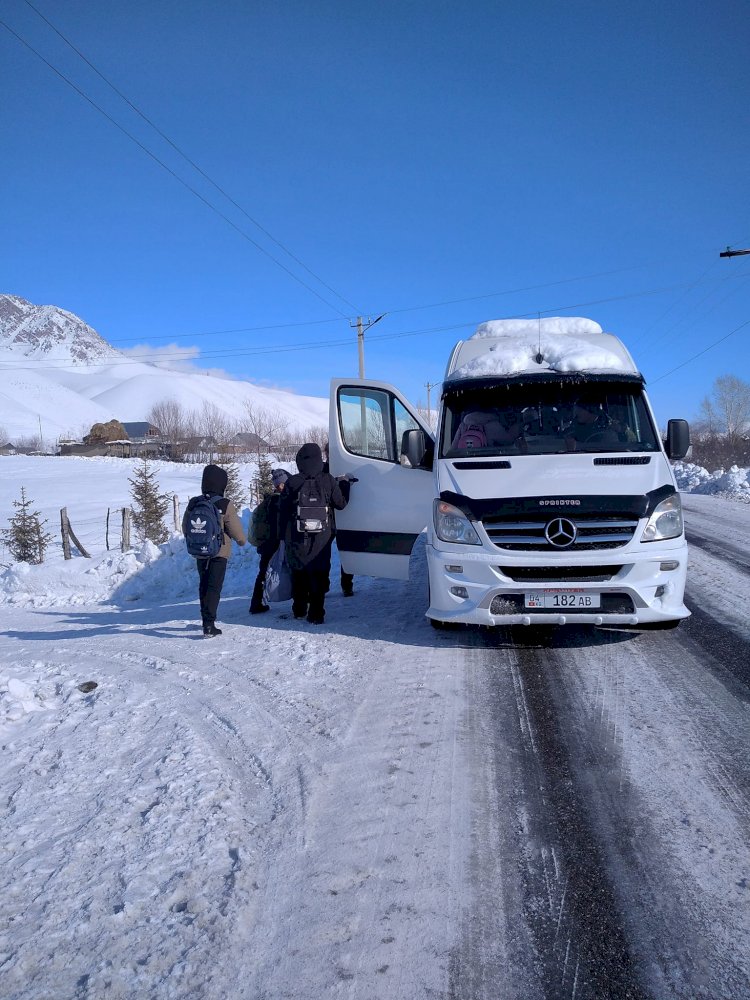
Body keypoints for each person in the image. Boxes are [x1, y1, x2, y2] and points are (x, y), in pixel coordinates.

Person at [279, 443, 349, 625]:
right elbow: (341, 504)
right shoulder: (328, 480)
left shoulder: (292, 482)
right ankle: (317, 613)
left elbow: (283, 511)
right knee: (319, 572)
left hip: (297, 536)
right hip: (322, 536)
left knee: (299, 571)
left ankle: (299, 609)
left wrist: (283, 536)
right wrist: (345, 485)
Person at [182, 463, 246, 637]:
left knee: (204, 584)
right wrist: (241, 541)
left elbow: (185, 528)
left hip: (199, 550)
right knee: (214, 587)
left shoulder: (195, 503)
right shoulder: (225, 504)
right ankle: (209, 625)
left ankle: (205, 619)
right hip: (219, 552)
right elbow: (238, 534)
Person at [249, 468, 289, 614]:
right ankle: (299, 604)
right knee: (291, 570)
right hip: (277, 543)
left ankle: (256, 603)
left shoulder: (268, 501)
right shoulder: (280, 501)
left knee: (263, 572)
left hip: (266, 543)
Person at [323, 442, 354, 596]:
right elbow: (341, 501)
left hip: (327, 519)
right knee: (342, 552)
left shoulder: (320, 470)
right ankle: (346, 586)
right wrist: (344, 483)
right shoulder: (345, 470)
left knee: (324, 554)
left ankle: (329, 586)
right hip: (337, 517)